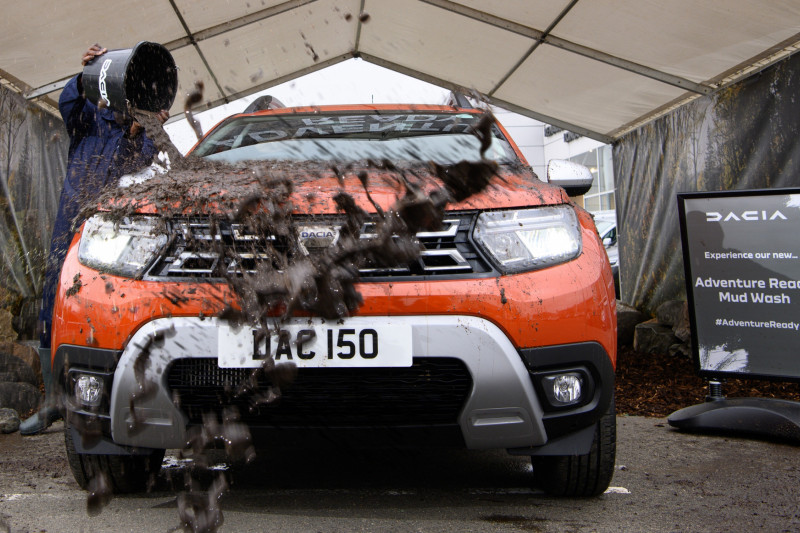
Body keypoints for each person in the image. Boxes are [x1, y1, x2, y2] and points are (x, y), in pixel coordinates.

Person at [20, 43, 169, 435]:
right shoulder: (89, 121)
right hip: (69, 222)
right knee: (52, 301)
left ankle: (93, 399)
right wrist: (90, 72)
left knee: (95, 306)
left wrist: (142, 129)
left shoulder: (141, 136)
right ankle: (50, 401)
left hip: (105, 234)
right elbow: (69, 102)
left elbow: (134, 161)